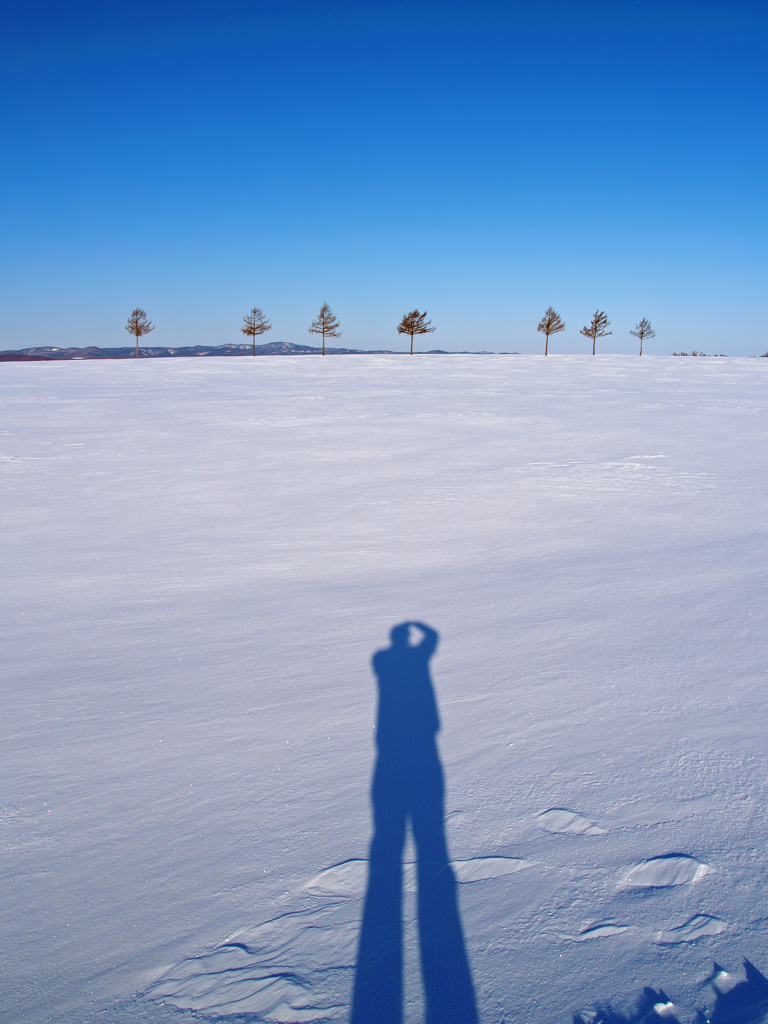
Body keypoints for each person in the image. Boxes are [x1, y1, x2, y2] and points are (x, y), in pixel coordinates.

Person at [351, 622, 477, 1024]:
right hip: (418, 748)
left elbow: (426, 645)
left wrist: (411, 632)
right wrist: (419, 629)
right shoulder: (395, 660)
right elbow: (433, 641)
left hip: (392, 750)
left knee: (391, 838)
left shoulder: (386, 660)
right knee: (427, 838)